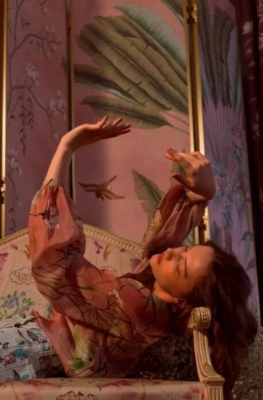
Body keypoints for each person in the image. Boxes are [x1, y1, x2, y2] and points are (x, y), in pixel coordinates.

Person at [28, 116, 258, 399]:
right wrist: (200, 196)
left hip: (28, 352)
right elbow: (163, 240)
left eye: (181, 266)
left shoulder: (135, 301)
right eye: (185, 249)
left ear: (182, 301)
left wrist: (66, 147)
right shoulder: (159, 314)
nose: (172, 252)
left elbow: (56, 264)